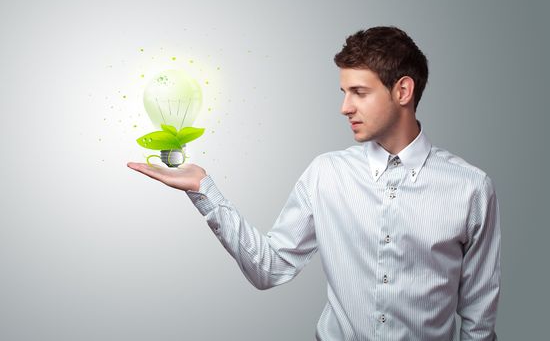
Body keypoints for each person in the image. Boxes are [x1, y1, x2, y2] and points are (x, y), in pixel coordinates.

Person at [127, 26, 501, 341]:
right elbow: (270, 268)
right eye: (344, 92)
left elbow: (479, 319)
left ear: (403, 91)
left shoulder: (469, 188)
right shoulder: (326, 174)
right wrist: (202, 189)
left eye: (359, 92)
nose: (345, 107)